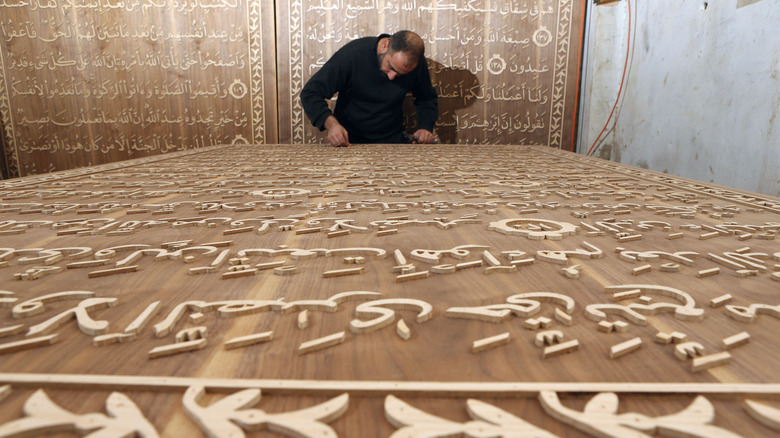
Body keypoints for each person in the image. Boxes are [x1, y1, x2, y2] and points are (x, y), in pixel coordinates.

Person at [301, 30, 438, 146]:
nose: (392, 77)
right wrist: (331, 125)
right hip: (349, 141)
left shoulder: (416, 63)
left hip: (393, 141)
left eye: (400, 74)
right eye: (391, 67)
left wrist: (426, 128)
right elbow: (310, 93)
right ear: (385, 45)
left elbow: (426, 98)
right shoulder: (353, 54)